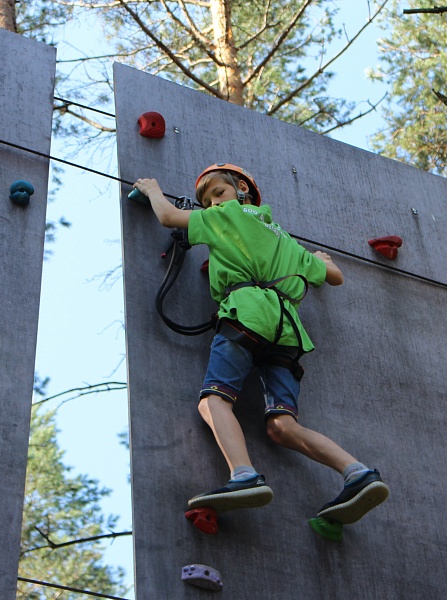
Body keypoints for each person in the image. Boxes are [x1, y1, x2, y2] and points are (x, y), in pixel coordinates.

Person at [132, 163, 389, 524]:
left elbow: (169, 216)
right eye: (206, 202)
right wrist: (321, 260)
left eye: (217, 194)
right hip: (287, 331)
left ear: (241, 190)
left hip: (247, 315)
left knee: (213, 401)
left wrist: (151, 189)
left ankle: (244, 475)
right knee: (282, 426)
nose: (212, 205)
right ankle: (358, 473)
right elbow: (335, 277)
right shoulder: (285, 239)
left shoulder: (228, 215)